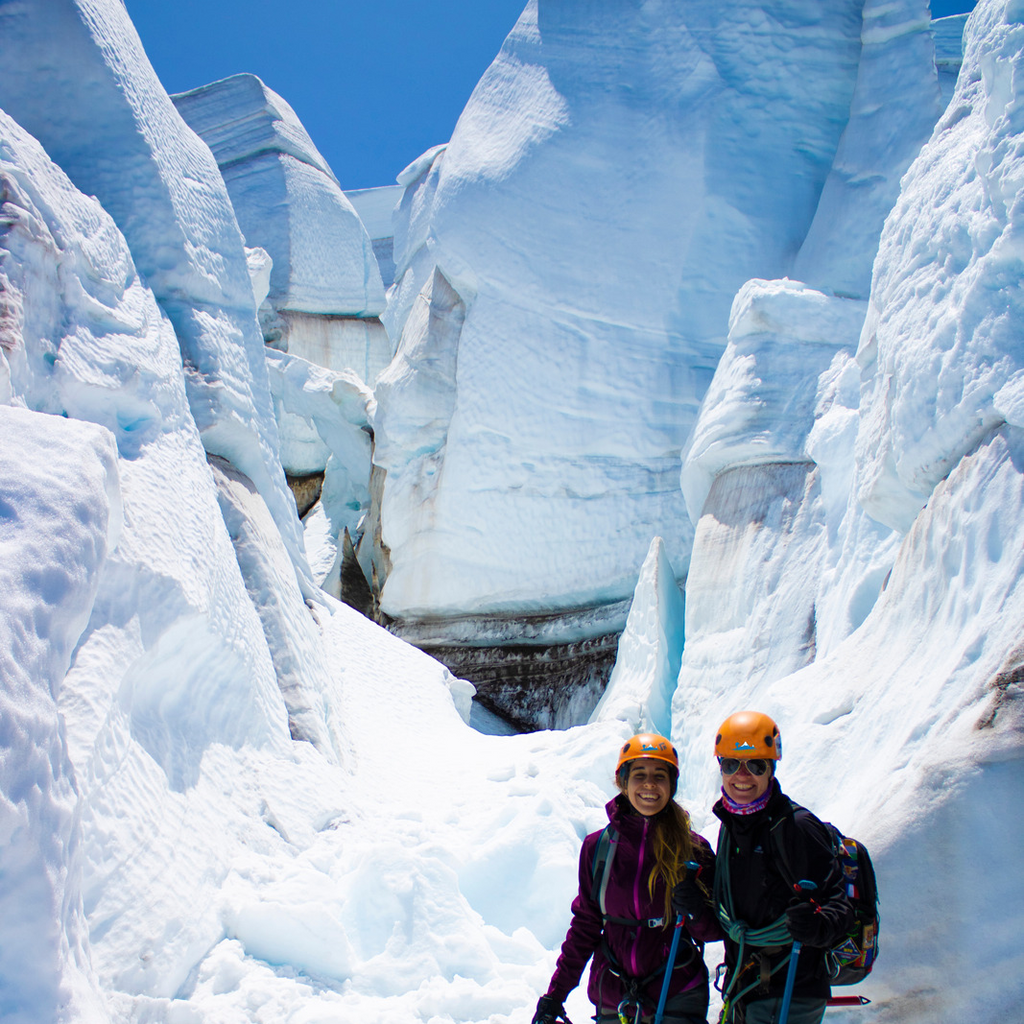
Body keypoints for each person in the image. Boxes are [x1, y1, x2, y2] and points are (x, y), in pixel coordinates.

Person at [533, 733, 722, 1024]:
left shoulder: (693, 850)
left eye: (660, 775)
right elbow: (586, 924)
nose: (649, 785)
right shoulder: (599, 849)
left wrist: (696, 910)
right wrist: (555, 994)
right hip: (614, 995)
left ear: (672, 784)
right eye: (639, 775)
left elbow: (713, 930)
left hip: (676, 993)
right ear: (622, 781)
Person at [710, 711, 853, 1024]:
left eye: (756, 765)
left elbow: (839, 904)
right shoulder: (731, 826)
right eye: (731, 764)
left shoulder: (796, 827)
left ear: (771, 769)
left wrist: (817, 924)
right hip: (745, 985)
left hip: (793, 989)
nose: (742, 775)